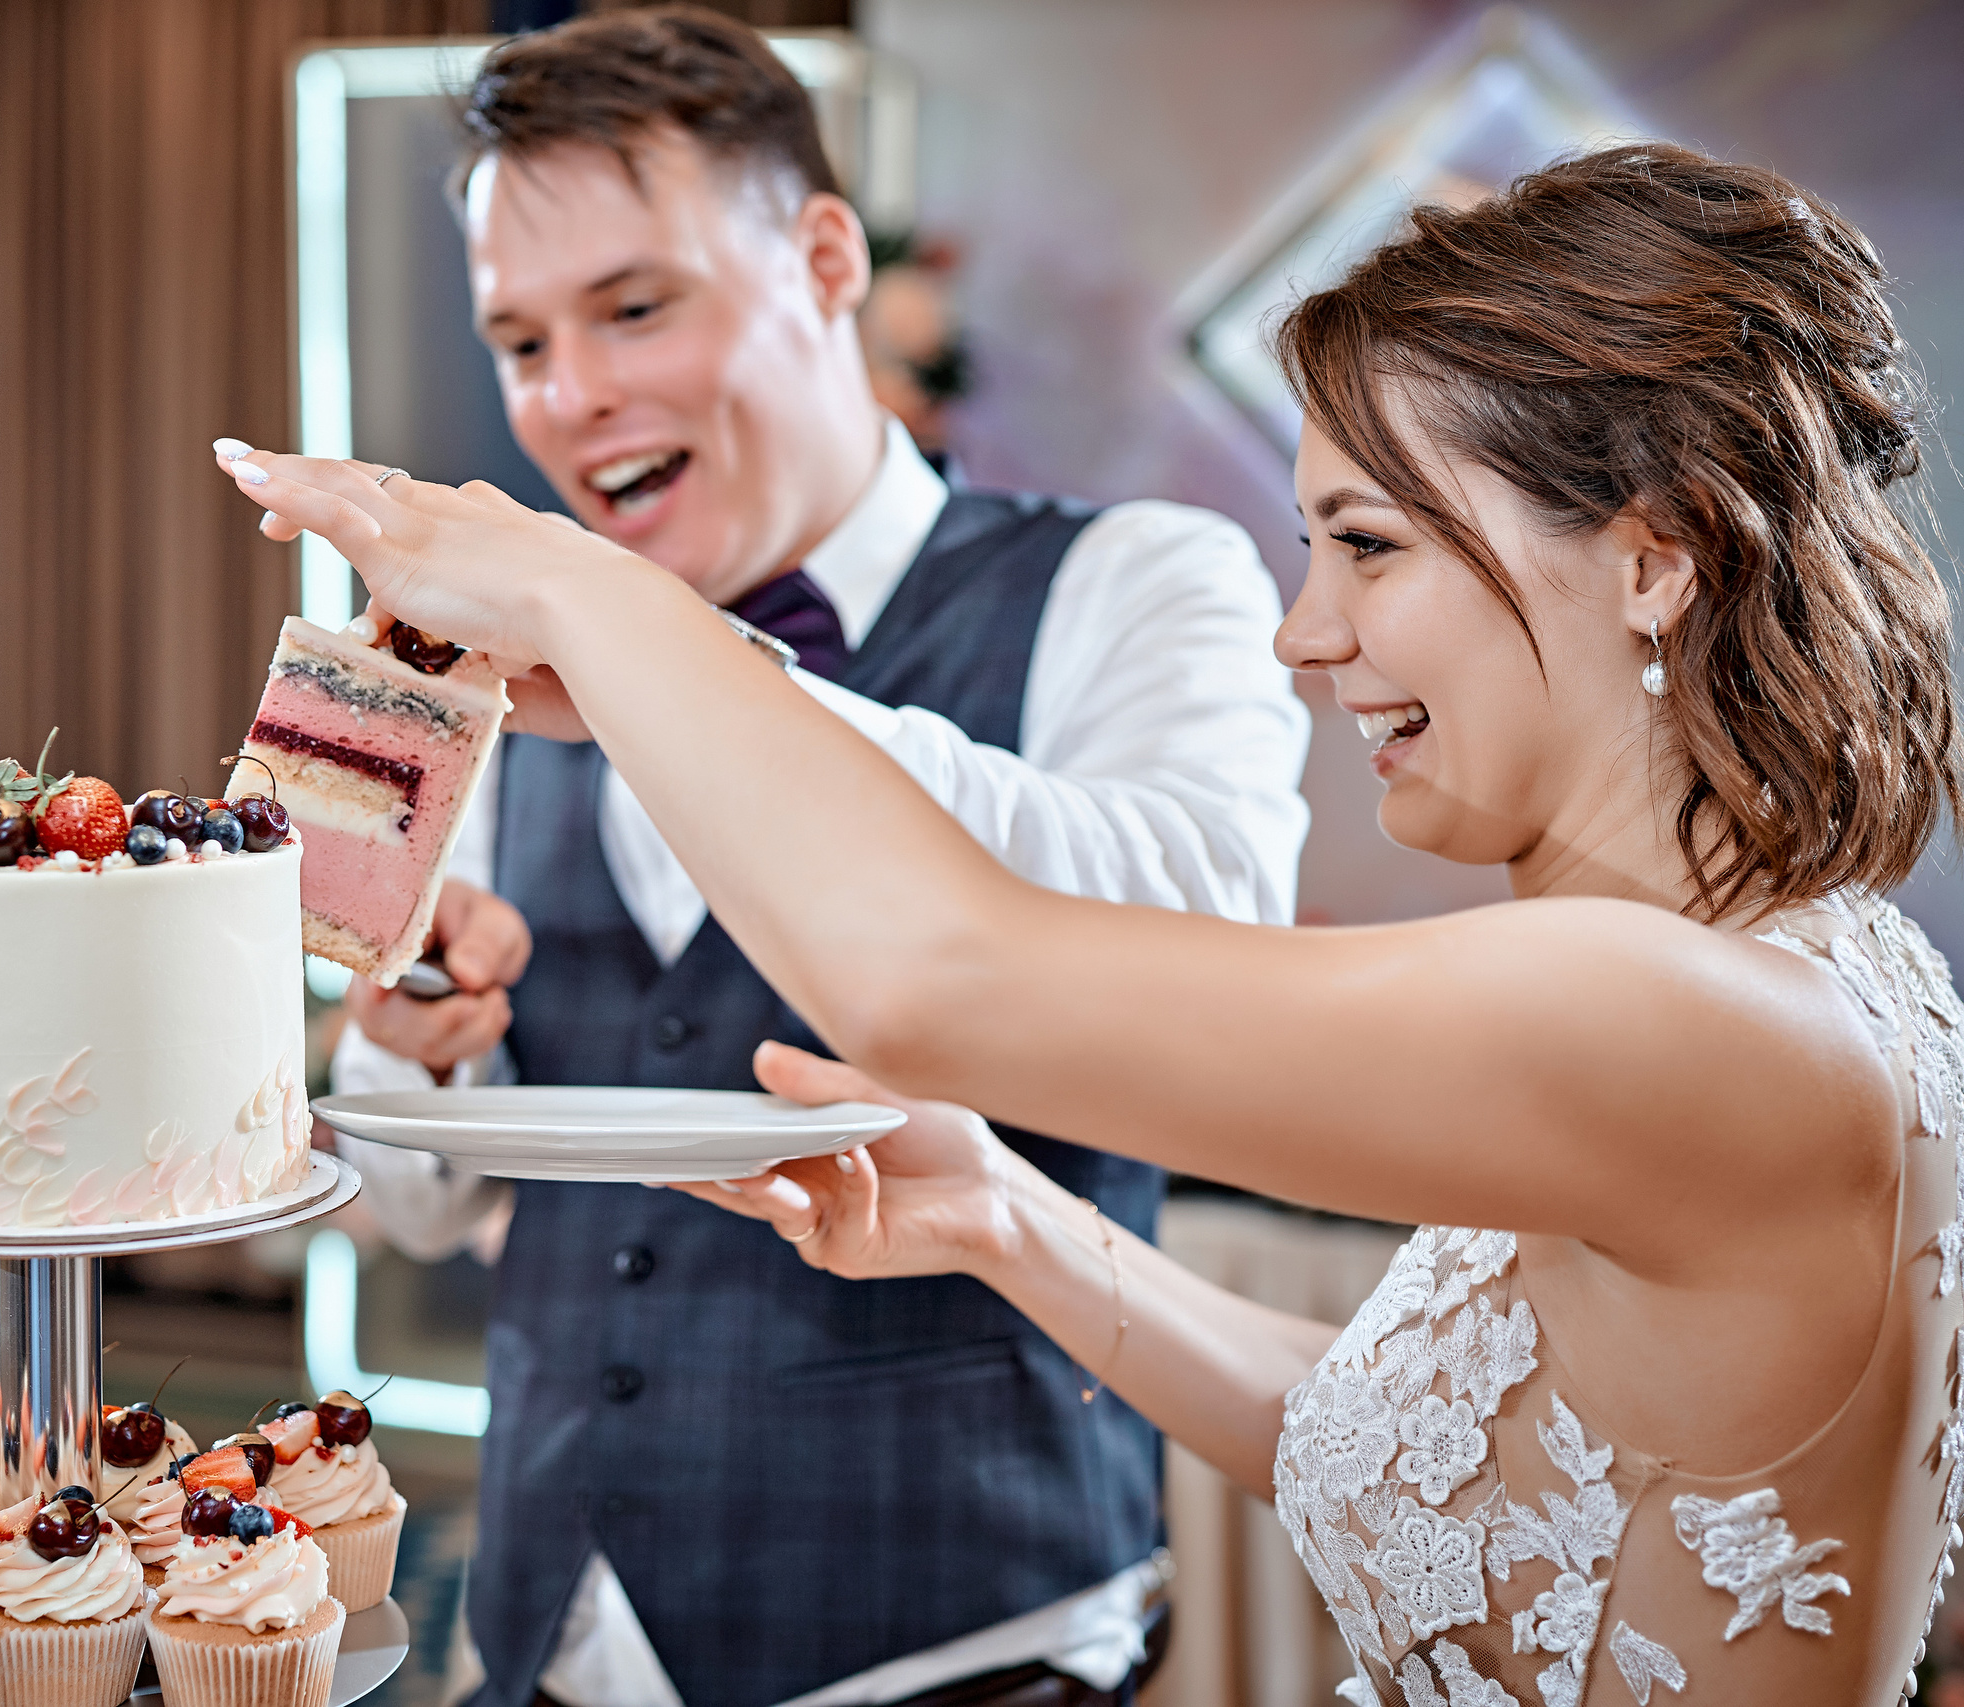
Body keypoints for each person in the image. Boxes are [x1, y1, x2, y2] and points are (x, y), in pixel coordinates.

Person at [217, 143, 1964, 1704]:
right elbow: (1429, 1454)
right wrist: (1012, 1224)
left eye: (1368, 546)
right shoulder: (1805, 966)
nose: (1304, 634)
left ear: (1656, 557)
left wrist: (591, 595)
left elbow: (931, 975)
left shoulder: (1684, 1021)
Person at [252, 10, 1308, 1706]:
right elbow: (425, 1207)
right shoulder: (519, 664)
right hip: (544, 1635)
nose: (569, 396)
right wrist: (412, 1038)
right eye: (519, 339)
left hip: (957, 1645)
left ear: (825, 259)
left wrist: (673, 661)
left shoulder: (1139, 577)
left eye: (635, 308)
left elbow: (1209, 953)